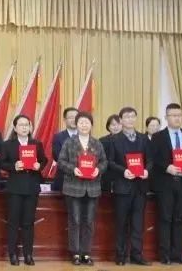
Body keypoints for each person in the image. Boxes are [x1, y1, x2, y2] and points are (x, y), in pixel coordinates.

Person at [57, 112, 108, 266]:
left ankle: (86, 253)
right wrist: (73, 169)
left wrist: (98, 169)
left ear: (91, 125)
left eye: (87, 122)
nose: (84, 125)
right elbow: (61, 161)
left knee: (89, 221)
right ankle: (75, 253)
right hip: (73, 187)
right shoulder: (69, 142)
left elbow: (104, 162)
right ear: (76, 125)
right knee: (75, 220)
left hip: (92, 188)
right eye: (81, 122)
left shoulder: (97, 143)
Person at [150, 103, 182, 265]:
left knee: (180, 219)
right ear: (166, 117)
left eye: (179, 115)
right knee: (165, 219)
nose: (177, 118)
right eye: (173, 115)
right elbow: (153, 159)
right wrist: (167, 167)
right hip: (166, 184)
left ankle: (179, 254)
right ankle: (165, 254)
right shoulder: (158, 136)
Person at [0, 114, 47, 266]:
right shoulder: (8, 144)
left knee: (28, 222)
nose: (24, 128)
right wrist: (13, 166)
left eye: (27, 125)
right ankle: (12, 254)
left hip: (32, 187)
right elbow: (1, 163)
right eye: (21, 125)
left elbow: (44, 160)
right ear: (15, 128)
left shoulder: (37, 144)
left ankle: (28, 254)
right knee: (13, 222)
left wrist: (39, 165)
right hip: (15, 188)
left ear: (30, 127)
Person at [108, 107, 152, 266]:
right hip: (122, 186)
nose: (130, 119)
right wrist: (123, 171)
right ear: (121, 120)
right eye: (126, 117)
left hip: (140, 187)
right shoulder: (114, 139)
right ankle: (120, 255)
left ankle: (137, 255)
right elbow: (109, 162)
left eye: (133, 116)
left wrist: (147, 170)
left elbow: (151, 160)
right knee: (121, 223)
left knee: (138, 223)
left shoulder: (144, 138)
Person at [51, 107, 80, 191]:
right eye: (70, 117)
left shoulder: (85, 137)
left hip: (82, 181)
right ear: (64, 120)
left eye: (76, 117)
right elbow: (57, 157)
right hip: (64, 180)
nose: (74, 120)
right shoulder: (58, 137)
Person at [99, 114, 122, 194]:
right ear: (108, 126)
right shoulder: (102, 140)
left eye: (118, 124)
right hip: (107, 175)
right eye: (113, 124)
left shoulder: (127, 140)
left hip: (123, 175)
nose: (116, 127)